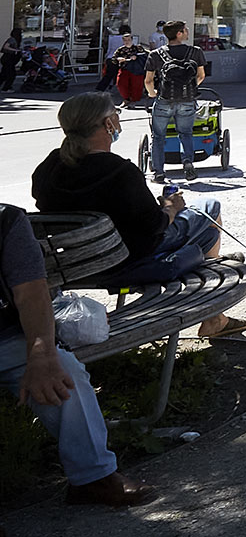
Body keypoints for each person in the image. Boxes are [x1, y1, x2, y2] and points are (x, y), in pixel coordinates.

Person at [30, 93, 246, 337]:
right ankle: (215, 319)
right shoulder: (120, 172)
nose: (118, 120)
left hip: (74, 265)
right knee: (210, 208)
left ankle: (215, 311)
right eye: (116, 115)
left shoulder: (49, 167)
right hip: (129, 259)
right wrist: (171, 206)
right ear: (108, 124)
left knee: (205, 235)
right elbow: (155, 225)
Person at [0, 200, 158, 508]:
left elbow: (31, 292)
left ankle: (93, 478)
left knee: (63, 370)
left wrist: (42, 355)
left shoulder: (5, 221)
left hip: (6, 339)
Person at [143, 20, 206, 183]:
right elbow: (201, 76)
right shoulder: (195, 52)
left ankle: (159, 172)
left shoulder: (155, 54)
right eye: (185, 30)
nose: (187, 32)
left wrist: (153, 93)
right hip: (187, 100)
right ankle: (187, 162)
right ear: (179, 34)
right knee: (185, 133)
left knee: (158, 136)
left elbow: (148, 81)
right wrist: (189, 88)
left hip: (164, 100)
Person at [109, 29, 150, 105]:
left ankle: (134, 100)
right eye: (125, 40)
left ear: (132, 40)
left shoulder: (138, 48)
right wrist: (119, 59)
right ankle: (126, 98)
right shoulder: (120, 50)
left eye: (128, 40)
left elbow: (145, 55)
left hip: (137, 70)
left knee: (136, 86)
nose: (127, 41)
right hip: (125, 69)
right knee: (121, 84)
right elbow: (113, 59)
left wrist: (136, 56)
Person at [2, 27, 25, 91]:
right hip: (8, 59)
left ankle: (6, 87)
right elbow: (5, 47)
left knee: (3, 74)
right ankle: (6, 88)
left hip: (10, 59)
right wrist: (16, 50)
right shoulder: (12, 39)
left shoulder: (17, 40)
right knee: (11, 74)